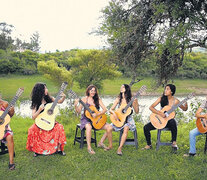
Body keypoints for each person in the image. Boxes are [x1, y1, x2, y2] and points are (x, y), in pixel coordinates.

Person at [143, 84, 188, 150]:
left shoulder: (176, 101)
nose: (165, 91)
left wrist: (186, 105)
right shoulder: (161, 99)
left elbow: (184, 109)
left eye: (167, 89)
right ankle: (149, 145)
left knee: (173, 121)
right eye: (165, 89)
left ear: (172, 91)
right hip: (159, 120)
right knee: (146, 127)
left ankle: (174, 143)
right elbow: (151, 107)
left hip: (168, 122)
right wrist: (160, 113)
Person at [26, 82, 67, 156]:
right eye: (45, 88)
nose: (47, 90)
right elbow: (33, 117)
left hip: (50, 121)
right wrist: (39, 110)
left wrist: (63, 97)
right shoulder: (35, 102)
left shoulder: (49, 98)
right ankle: (37, 150)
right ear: (41, 90)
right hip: (40, 122)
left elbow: (60, 101)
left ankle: (59, 149)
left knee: (59, 127)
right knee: (32, 129)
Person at [99, 84, 139, 156]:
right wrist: (114, 113)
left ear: (126, 89)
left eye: (123, 87)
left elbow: (136, 111)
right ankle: (110, 145)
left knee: (126, 128)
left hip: (128, 120)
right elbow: (111, 109)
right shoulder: (118, 99)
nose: (121, 88)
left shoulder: (131, 99)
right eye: (121, 87)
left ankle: (120, 148)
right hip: (119, 118)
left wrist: (136, 103)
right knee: (109, 128)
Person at [74, 84, 113, 154]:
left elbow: (105, 109)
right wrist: (75, 105)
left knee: (110, 127)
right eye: (91, 90)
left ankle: (105, 144)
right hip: (86, 119)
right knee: (88, 127)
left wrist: (97, 114)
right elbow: (79, 111)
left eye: (94, 91)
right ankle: (89, 147)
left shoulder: (98, 99)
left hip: (97, 120)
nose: (93, 92)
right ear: (88, 91)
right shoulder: (84, 99)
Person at [0, 95, 15, 170]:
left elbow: (10, 116)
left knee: (10, 136)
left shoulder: (5, 104)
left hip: (5, 126)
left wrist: (12, 110)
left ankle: (11, 162)